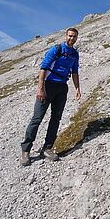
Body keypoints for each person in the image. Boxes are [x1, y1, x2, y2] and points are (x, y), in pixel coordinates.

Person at [21, 28, 81, 166]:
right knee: (37, 118)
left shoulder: (75, 54)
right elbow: (43, 68)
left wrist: (77, 88)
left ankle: (47, 148)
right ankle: (26, 150)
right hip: (48, 86)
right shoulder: (56, 49)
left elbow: (75, 72)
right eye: (70, 36)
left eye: (74, 36)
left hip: (62, 87)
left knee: (56, 118)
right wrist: (40, 89)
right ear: (66, 36)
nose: (72, 38)